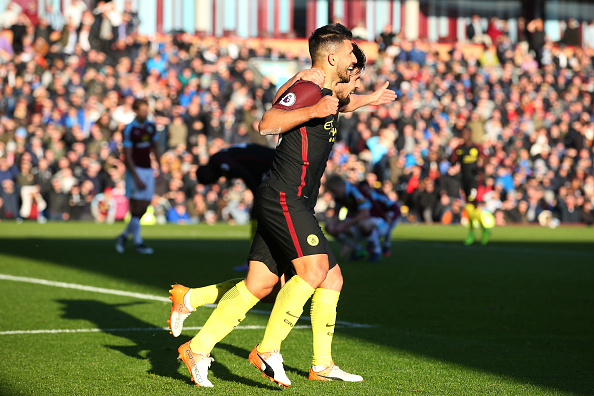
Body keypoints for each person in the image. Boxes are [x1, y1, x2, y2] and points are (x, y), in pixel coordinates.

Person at [170, 27, 396, 388]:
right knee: (316, 270)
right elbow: (268, 122)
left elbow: (339, 102)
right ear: (332, 57)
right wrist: (311, 110)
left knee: (268, 284)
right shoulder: (310, 88)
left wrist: (370, 98)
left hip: (296, 199)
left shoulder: (326, 90)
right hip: (284, 197)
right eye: (351, 54)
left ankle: (199, 343)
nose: (356, 60)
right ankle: (267, 349)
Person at [115, 99, 161, 254]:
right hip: (136, 170)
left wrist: (160, 164)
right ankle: (138, 243)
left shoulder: (150, 126)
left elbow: (155, 147)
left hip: (148, 169)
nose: (145, 113)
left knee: (145, 205)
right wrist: (136, 177)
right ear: (135, 111)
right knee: (136, 206)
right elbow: (127, 156)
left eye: (146, 109)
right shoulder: (129, 129)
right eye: (142, 110)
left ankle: (123, 236)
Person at [451, 126, 493, 245]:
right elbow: (453, 160)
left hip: (475, 180)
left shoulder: (476, 147)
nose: (465, 135)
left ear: (470, 134)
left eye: (466, 133)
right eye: (463, 133)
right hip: (464, 179)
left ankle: (472, 233)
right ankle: (485, 229)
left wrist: (481, 167)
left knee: (470, 204)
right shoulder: (459, 149)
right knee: (471, 206)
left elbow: (485, 157)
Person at [324, 174, 380, 262]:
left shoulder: (354, 190)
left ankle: (376, 251)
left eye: (334, 191)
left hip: (377, 219)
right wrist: (332, 224)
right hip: (360, 221)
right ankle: (358, 250)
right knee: (330, 228)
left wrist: (344, 225)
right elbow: (336, 213)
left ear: (340, 186)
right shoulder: (340, 195)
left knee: (364, 224)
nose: (334, 195)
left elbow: (365, 213)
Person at [357, 180, 401, 257]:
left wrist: (391, 218)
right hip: (379, 217)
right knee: (370, 228)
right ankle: (372, 247)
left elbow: (395, 208)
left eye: (366, 190)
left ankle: (386, 247)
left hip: (389, 216)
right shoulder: (361, 197)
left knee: (387, 231)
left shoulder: (377, 194)